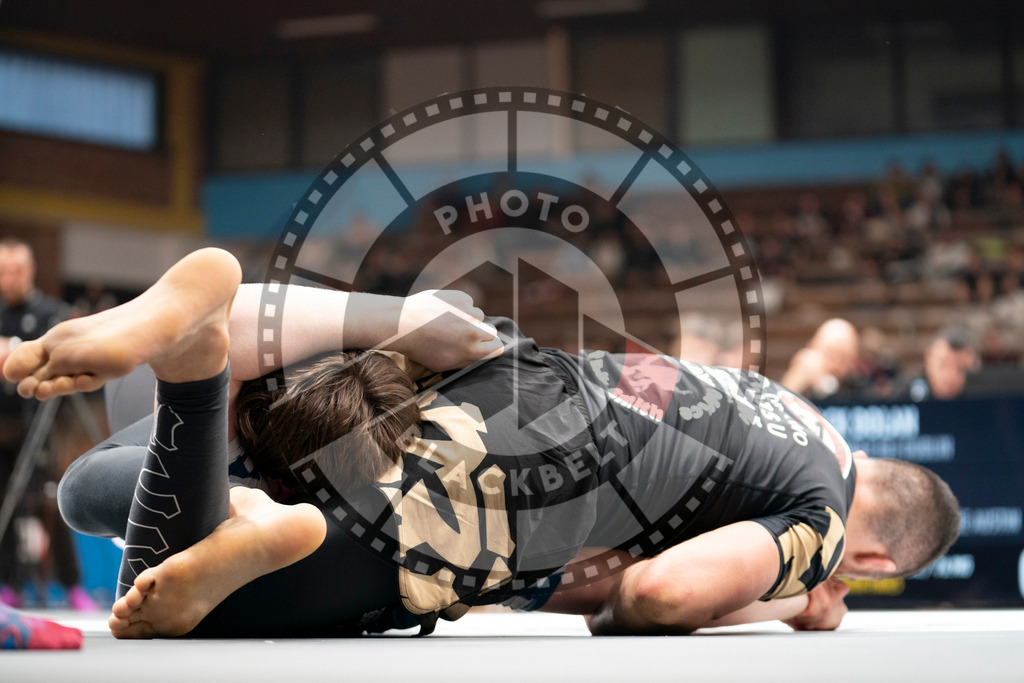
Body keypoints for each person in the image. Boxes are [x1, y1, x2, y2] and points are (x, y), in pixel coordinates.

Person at [5, 249, 960, 638]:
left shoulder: (773, 397)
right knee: (177, 600)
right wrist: (791, 594)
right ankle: (203, 384)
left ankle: (241, 349)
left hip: (493, 378)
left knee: (93, 489)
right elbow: (658, 592)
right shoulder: (825, 522)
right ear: (874, 558)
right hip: (499, 496)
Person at [0, 237, 95, 611]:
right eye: (3, 271)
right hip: (0, 429)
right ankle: (8, 584)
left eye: (17, 270)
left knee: (50, 503)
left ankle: (72, 586)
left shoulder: (51, 313)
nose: (10, 278)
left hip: (38, 426)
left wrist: (16, 349)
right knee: (5, 503)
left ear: (31, 271)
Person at [780, 318, 860, 400]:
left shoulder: (861, 385)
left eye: (844, 359)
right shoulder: (803, 381)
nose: (836, 365)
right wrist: (795, 379)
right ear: (811, 347)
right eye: (831, 355)